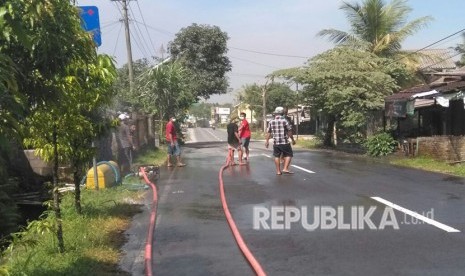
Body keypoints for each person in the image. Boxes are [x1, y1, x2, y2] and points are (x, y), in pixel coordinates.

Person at [265, 106, 296, 175]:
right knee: (289, 154)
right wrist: (293, 140)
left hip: (276, 142)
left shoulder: (271, 121)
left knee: (277, 156)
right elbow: (289, 131)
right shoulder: (285, 121)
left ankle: (278, 171)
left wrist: (267, 141)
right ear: (282, 113)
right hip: (284, 142)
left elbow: (268, 133)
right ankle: (285, 168)